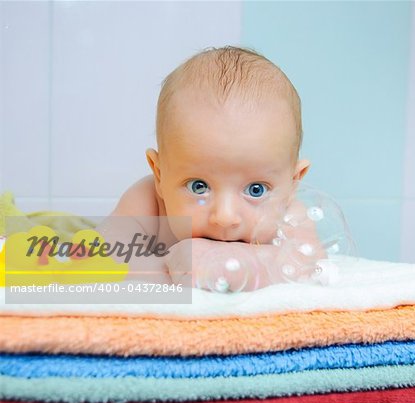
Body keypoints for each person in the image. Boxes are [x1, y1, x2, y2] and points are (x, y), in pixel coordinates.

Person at [102, 46, 318, 290]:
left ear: (293, 183)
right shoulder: (146, 203)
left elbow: (310, 265)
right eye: (198, 186)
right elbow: (104, 258)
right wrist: (172, 267)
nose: (225, 217)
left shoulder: (291, 215)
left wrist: (249, 265)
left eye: (256, 190)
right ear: (160, 175)